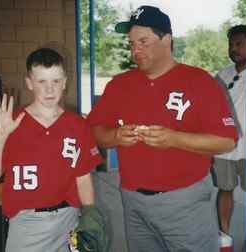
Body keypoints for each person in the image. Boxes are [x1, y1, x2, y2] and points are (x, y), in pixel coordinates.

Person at [87, 5, 238, 252]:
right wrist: (114, 136)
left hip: (185, 202)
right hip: (132, 201)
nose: (135, 49)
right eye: (132, 43)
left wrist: (174, 139)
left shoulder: (199, 82)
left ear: (166, 39)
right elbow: (93, 131)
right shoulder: (119, 85)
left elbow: (226, 141)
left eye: (143, 41)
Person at [0, 48, 102, 252]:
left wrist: (89, 214)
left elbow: (83, 177)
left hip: (69, 219)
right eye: (42, 82)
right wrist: (0, 137)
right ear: (29, 83)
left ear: (64, 82)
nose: (50, 90)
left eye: (55, 81)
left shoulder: (77, 125)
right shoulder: (11, 122)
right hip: (27, 223)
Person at [213, 25, 246, 235]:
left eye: (239, 44)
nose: (234, 49)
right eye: (231, 44)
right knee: (224, 189)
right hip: (224, 147)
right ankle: (224, 235)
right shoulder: (222, 75)